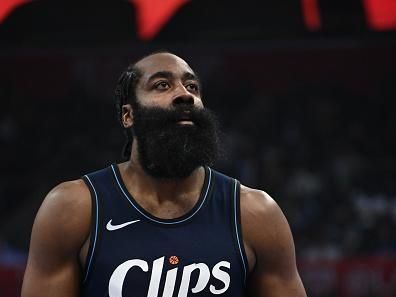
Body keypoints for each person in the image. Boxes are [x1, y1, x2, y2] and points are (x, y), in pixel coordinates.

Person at [21, 51, 307, 297]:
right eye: (161, 85)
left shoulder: (255, 213)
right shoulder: (73, 208)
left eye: (192, 87)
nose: (185, 94)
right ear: (128, 115)